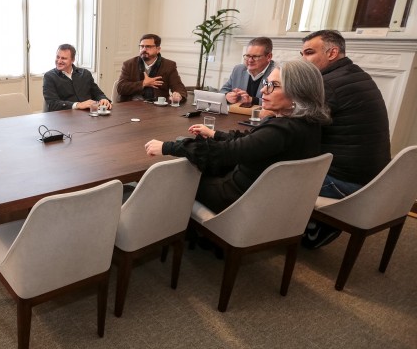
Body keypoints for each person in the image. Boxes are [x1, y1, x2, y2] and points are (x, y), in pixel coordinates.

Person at [144, 59, 329, 214]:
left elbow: (223, 153)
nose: (263, 91)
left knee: (176, 177)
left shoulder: (281, 130)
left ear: (298, 92)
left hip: (239, 199)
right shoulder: (308, 123)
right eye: (266, 84)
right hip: (270, 198)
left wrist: (168, 147)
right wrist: (214, 133)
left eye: (273, 86)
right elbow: (250, 141)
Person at [299, 29, 391, 248]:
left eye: (309, 53)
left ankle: (281, 229)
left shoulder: (328, 84)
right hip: (374, 178)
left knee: (271, 170)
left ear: (332, 53)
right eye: (302, 54)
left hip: (347, 182)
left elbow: (299, 130)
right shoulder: (357, 74)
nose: (303, 60)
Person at [115, 34, 187, 104]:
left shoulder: (169, 65)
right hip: (131, 106)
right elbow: (120, 88)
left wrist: (178, 95)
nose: (144, 49)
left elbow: (179, 87)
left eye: (148, 46)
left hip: (157, 106)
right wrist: (143, 83)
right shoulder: (129, 64)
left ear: (158, 49)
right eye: (142, 46)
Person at [43, 44, 111, 112]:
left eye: (63, 58)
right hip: (65, 116)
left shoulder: (85, 73)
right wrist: (78, 105)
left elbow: (98, 93)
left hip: (89, 114)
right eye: (57, 57)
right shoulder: (49, 77)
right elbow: (52, 104)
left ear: (73, 60)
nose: (59, 61)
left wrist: (103, 99)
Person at [219, 36, 275, 106]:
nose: (250, 60)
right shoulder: (238, 69)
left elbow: (277, 102)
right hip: (237, 112)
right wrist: (227, 96)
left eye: (255, 56)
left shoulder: (277, 74)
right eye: (248, 56)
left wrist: (252, 100)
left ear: (269, 57)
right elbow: (222, 91)